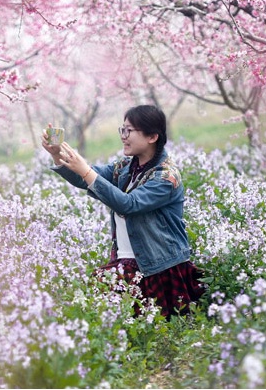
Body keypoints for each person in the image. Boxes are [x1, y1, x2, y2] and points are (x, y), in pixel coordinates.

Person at [41, 105, 205, 318]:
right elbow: (87, 180)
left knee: (155, 334)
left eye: (129, 131)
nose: (123, 137)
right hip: (125, 261)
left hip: (158, 266)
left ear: (152, 136)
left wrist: (86, 171)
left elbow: (129, 204)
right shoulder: (126, 167)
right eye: (122, 130)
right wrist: (58, 156)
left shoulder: (166, 177)